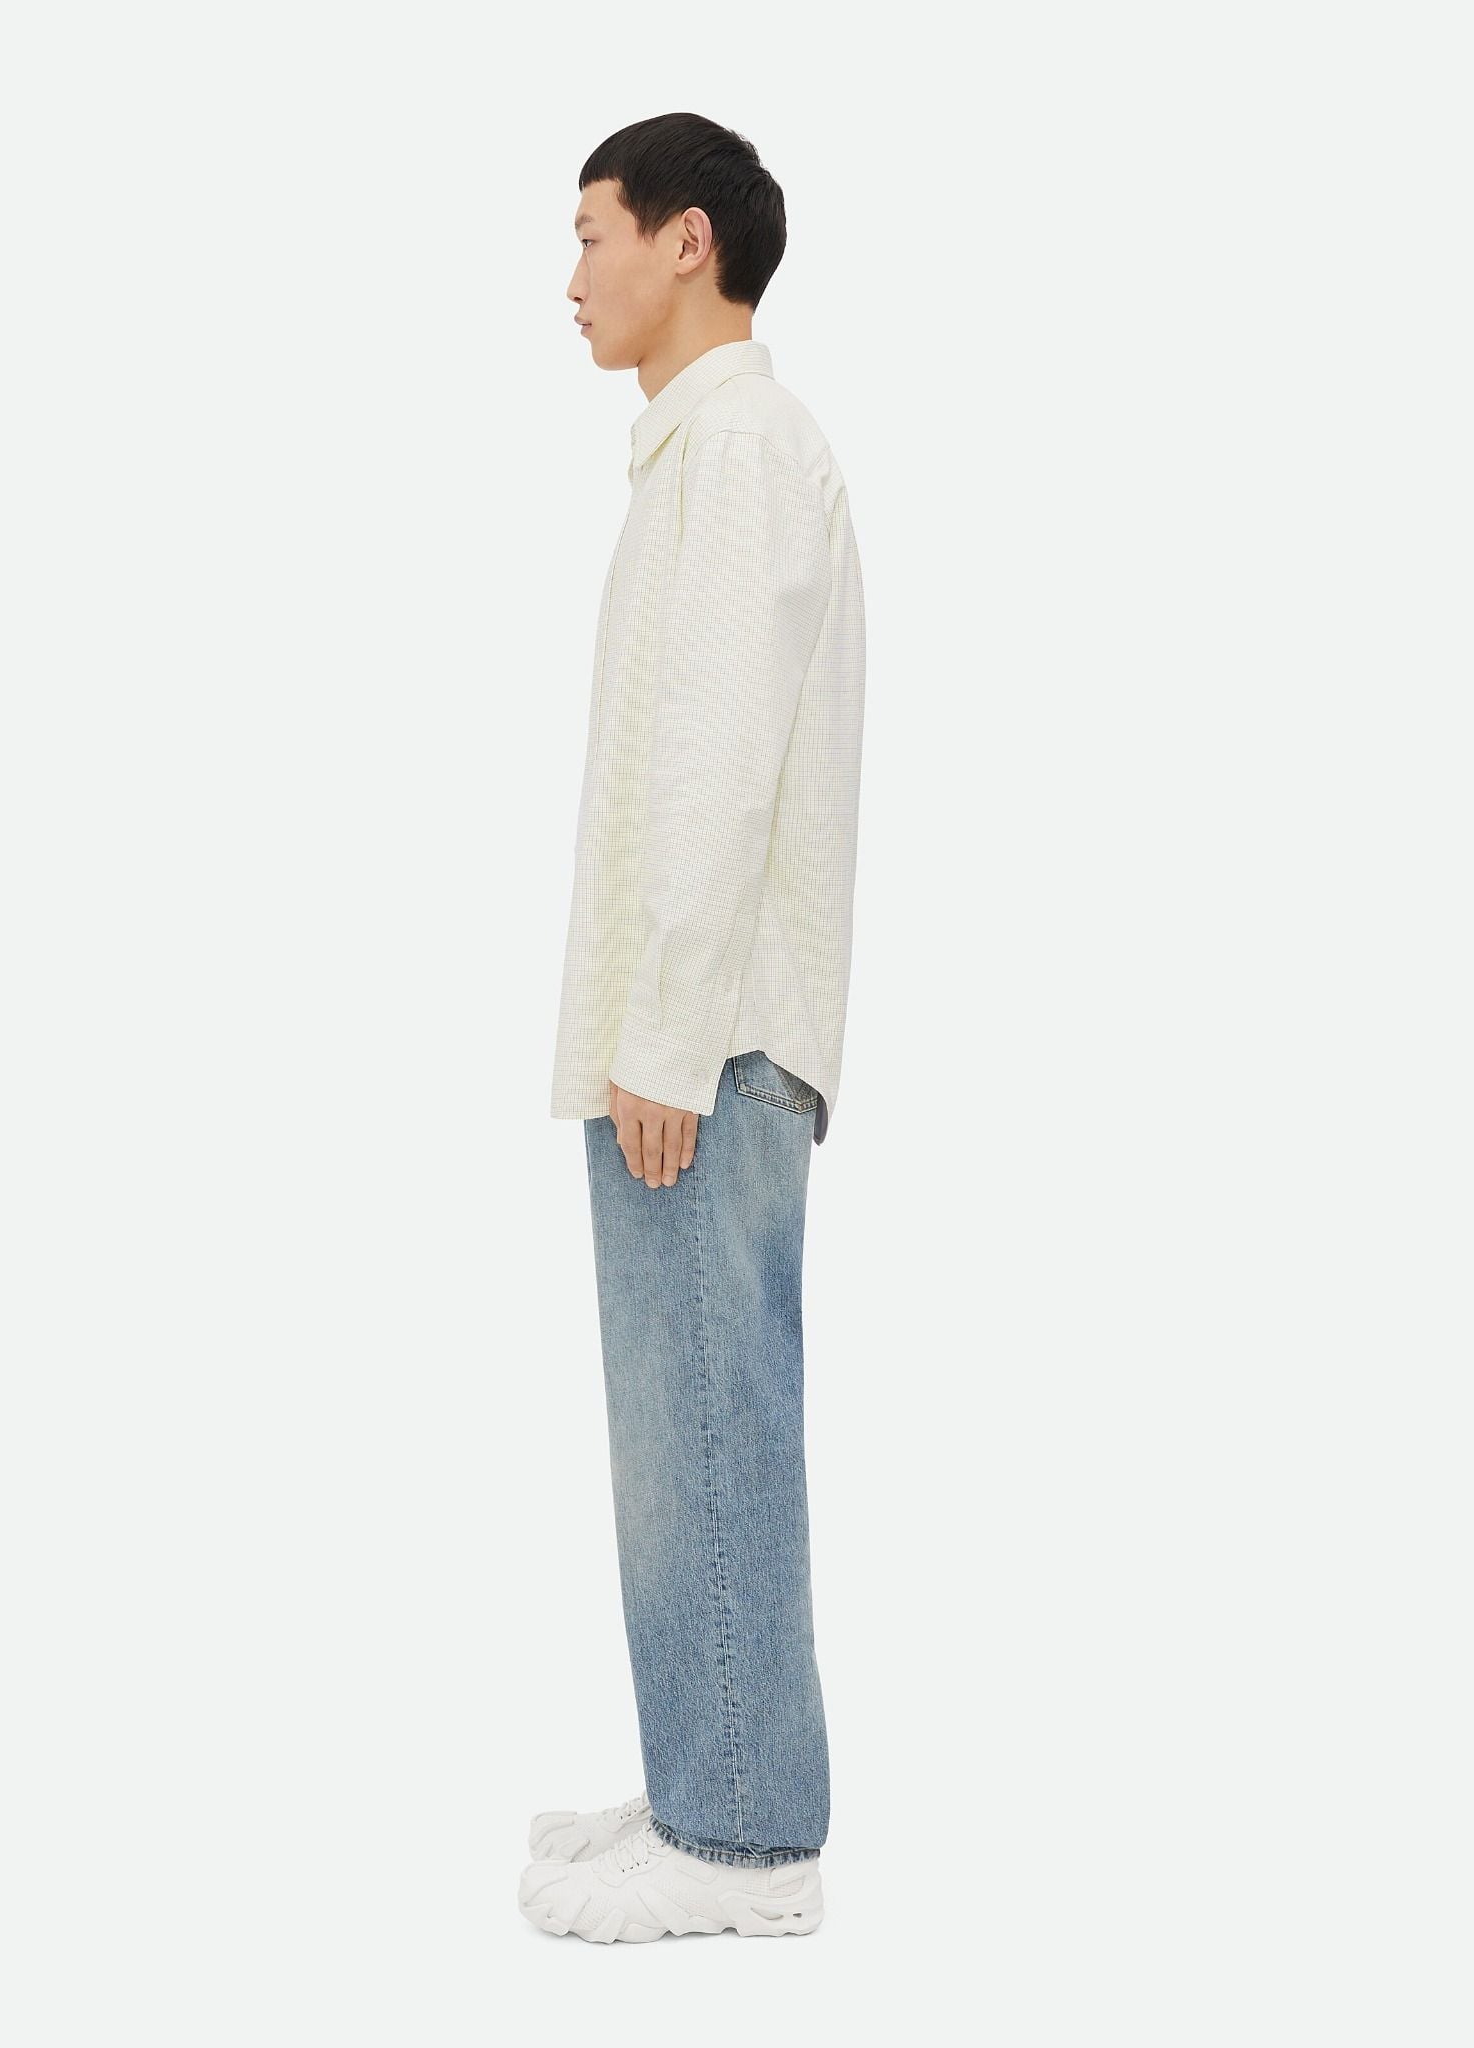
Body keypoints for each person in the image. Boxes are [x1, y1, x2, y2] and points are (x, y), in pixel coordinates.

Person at [523, 111, 865, 1944]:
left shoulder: (736, 453)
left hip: (701, 1039)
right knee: (680, 1427)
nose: (568, 276)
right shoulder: (702, 454)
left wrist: (660, 1037)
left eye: (591, 233)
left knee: (711, 1418)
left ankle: (743, 1841)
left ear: (686, 241)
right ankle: (703, 1775)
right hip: (687, 1030)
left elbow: (722, 768)